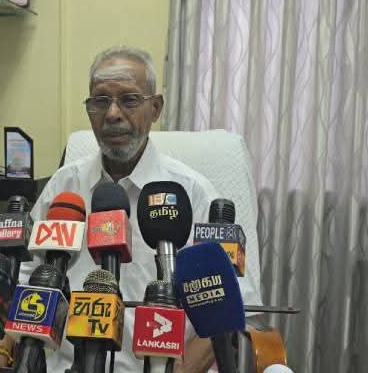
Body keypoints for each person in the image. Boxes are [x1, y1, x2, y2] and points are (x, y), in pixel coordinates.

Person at [20, 46, 228, 372]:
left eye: (129, 100)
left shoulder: (193, 194)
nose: (113, 114)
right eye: (100, 101)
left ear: (155, 108)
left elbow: (226, 309)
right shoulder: (63, 188)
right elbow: (26, 281)